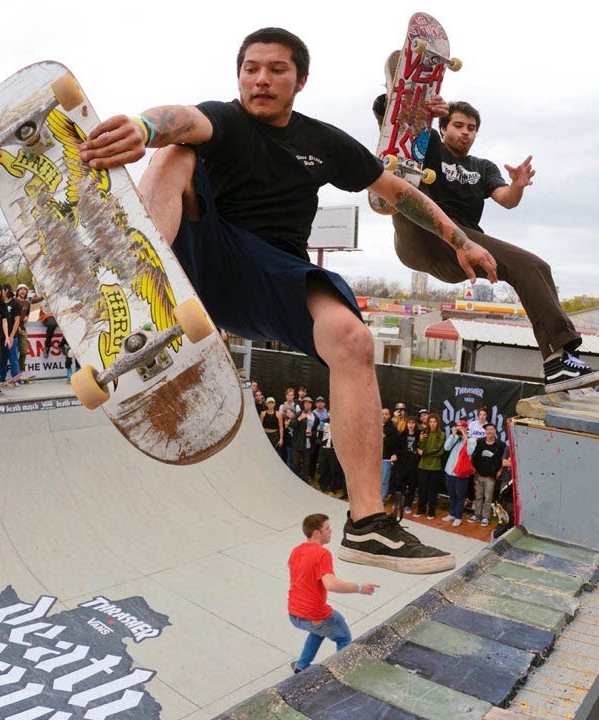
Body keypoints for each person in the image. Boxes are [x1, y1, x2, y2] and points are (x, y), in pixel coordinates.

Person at [79, 27, 469, 572]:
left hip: (271, 278)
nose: (261, 79)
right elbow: (182, 120)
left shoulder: (324, 143)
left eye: (277, 70)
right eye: (251, 68)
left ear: (300, 80)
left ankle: (367, 525)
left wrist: (461, 241)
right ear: (239, 75)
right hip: (201, 256)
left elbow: (396, 191)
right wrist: (145, 127)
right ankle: (141, 290)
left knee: (353, 340)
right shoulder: (225, 119)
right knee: (177, 152)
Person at [371, 95, 599, 392]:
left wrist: (517, 186)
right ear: (444, 128)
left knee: (535, 266)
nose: (465, 132)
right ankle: (390, 182)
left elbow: (506, 200)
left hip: (465, 245)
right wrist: (418, 111)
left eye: (471, 128)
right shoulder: (430, 143)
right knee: (412, 184)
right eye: (458, 125)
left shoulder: (483, 167)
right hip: (421, 235)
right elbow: (392, 122)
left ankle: (558, 361)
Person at [286, 513, 378, 673]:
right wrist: (359, 587)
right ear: (317, 533)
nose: (331, 531)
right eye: (327, 528)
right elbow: (331, 584)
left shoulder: (296, 551)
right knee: (343, 637)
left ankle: (301, 667)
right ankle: (343, 672)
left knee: (318, 632)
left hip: (294, 614)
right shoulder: (322, 554)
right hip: (315, 615)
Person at [470, 423, 509, 526]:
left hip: (491, 476)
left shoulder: (500, 445)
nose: (489, 431)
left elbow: (503, 460)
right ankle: (477, 514)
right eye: (487, 430)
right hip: (478, 474)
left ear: (495, 431)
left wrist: (500, 471)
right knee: (478, 496)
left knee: (488, 498)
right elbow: (472, 455)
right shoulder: (479, 442)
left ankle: (486, 517)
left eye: (491, 429)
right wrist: (473, 467)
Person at [442, 419, 477, 527]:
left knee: (460, 496)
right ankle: (452, 513)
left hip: (461, 473)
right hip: (450, 470)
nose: (459, 428)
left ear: (466, 428)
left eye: (461, 427)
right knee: (451, 494)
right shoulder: (455, 438)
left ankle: (458, 517)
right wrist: (453, 435)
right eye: (457, 426)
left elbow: (470, 451)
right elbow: (446, 448)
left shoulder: (472, 440)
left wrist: (465, 436)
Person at [416, 414, 446, 519]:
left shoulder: (441, 434)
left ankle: (431, 512)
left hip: (435, 467)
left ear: (438, 423)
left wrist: (424, 453)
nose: (432, 424)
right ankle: (421, 510)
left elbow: (439, 451)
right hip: (423, 466)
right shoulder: (424, 433)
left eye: (434, 421)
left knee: (432, 491)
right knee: (422, 490)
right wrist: (420, 440)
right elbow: (420, 449)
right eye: (431, 421)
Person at [391, 416, 420, 513]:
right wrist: (395, 455)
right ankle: (398, 502)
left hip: (414, 464)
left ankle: (408, 504)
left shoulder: (419, 435)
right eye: (409, 423)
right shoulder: (401, 435)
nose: (411, 425)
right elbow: (397, 448)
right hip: (403, 464)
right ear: (406, 424)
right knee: (399, 484)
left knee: (412, 486)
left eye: (413, 423)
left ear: (415, 424)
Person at [290, 396, 317, 480]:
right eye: (306, 403)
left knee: (306, 464)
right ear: (303, 404)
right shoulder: (298, 414)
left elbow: (317, 431)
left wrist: (312, 434)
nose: (307, 404)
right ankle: (295, 481)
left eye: (309, 403)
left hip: (308, 445)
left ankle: (304, 480)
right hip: (297, 444)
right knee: (295, 464)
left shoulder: (315, 417)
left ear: (311, 405)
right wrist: (299, 418)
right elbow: (291, 425)